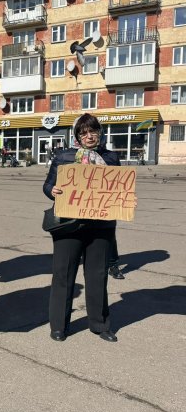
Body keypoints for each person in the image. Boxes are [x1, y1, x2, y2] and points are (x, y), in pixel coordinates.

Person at [43, 113, 125, 343]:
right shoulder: (65, 156)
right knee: (63, 274)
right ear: (77, 135)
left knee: (98, 275)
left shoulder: (110, 158)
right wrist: (53, 191)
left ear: (100, 131)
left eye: (93, 131)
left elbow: (119, 188)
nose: (89, 136)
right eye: (83, 132)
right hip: (69, 225)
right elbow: (48, 184)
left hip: (101, 226)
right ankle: (59, 326)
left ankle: (100, 324)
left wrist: (127, 199)